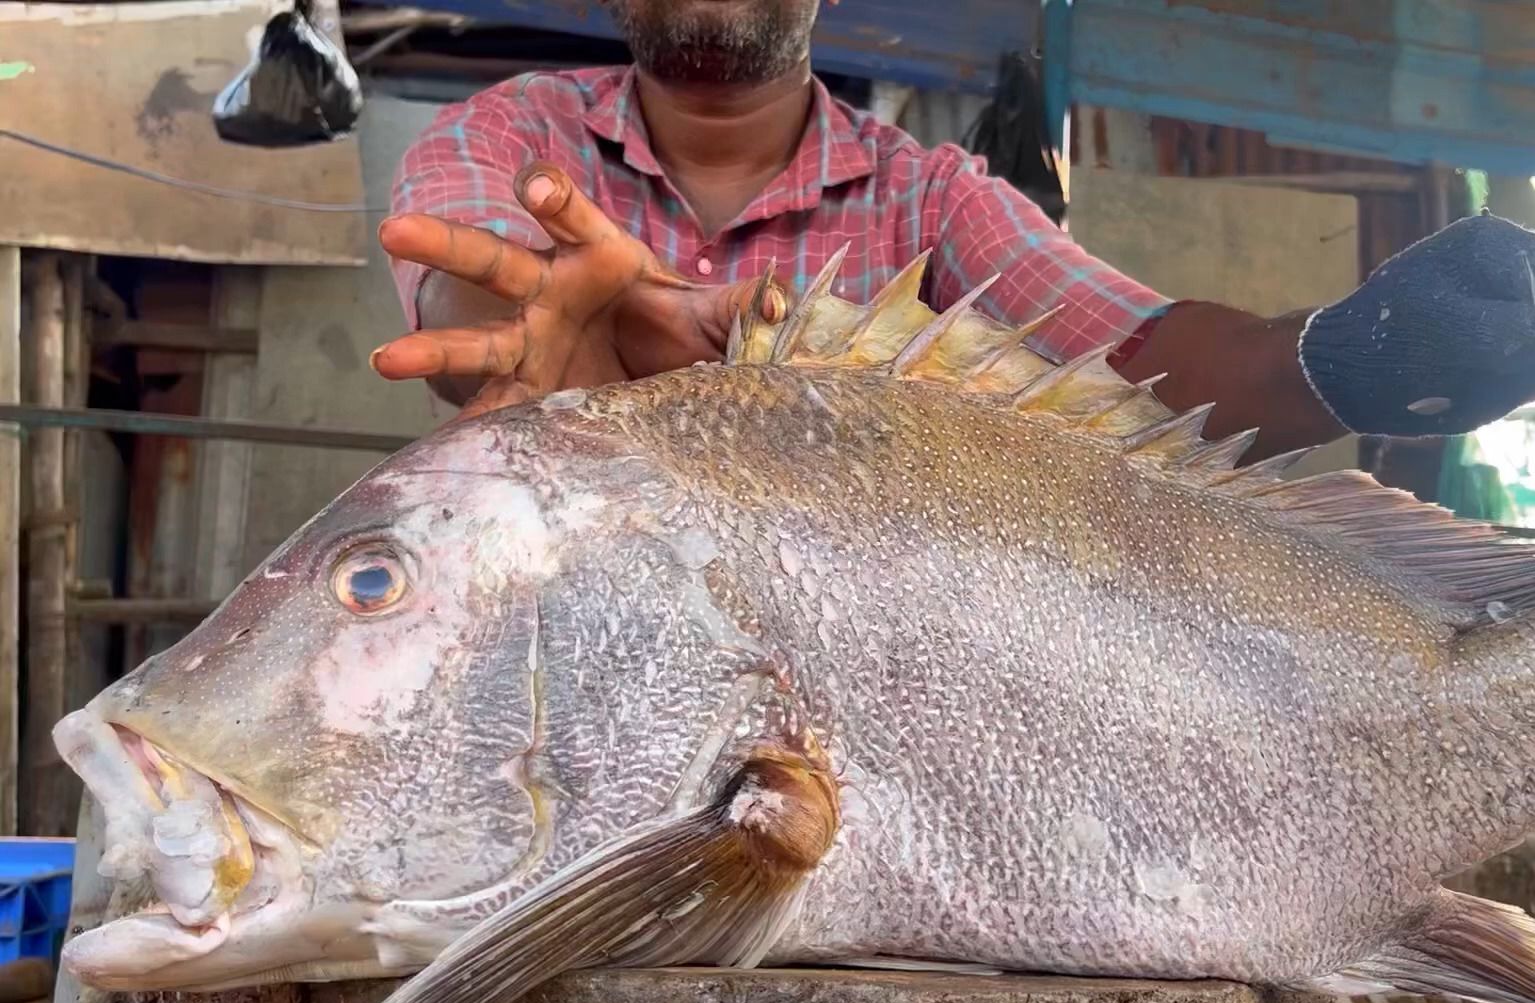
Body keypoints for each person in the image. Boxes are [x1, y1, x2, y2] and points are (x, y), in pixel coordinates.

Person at [375, 0, 1535, 460]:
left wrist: (1349, 357)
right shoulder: (512, 129)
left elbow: (1135, 352)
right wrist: (549, 326)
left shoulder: (932, 196)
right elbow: (469, 301)